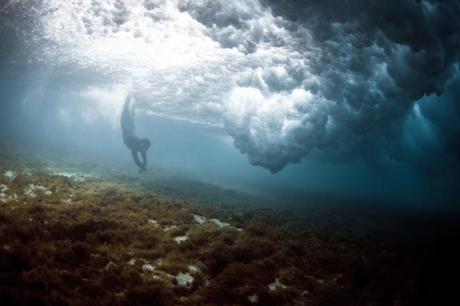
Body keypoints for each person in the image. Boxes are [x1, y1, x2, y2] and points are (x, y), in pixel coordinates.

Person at [121, 94, 151, 172]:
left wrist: (142, 167)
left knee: (128, 113)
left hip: (127, 128)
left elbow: (144, 160)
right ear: (141, 143)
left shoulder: (143, 149)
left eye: (146, 148)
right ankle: (129, 95)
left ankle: (132, 99)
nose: (145, 150)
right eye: (145, 147)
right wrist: (142, 167)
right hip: (128, 128)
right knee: (126, 110)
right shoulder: (135, 147)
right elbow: (136, 160)